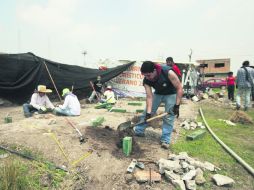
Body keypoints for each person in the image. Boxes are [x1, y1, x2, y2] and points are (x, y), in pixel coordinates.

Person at [134, 61, 183, 149]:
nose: (147, 78)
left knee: (169, 116)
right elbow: (149, 97)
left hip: (171, 93)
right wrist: (149, 113)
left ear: (154, 70)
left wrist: (177, 105)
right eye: (145, 76)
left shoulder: (168, 72)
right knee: (146, 113)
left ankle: (165, 140)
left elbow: (179, 88)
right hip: (158, 93)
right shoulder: (146, 80)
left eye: (148, 75)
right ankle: (139, 130)